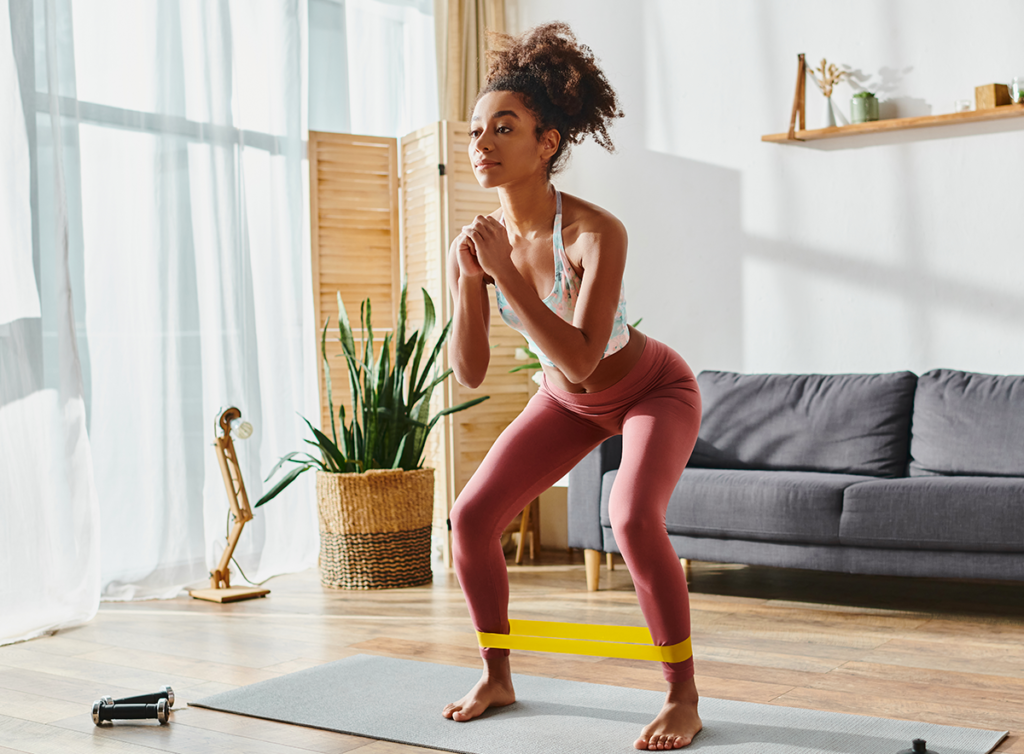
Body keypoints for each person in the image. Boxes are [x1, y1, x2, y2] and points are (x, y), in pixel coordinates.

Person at [441, 22, 703, 751]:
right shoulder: (481, 244)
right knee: (469, 519)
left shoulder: (595, 233)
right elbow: (468, 370)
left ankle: (682, 695)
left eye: (505, 127)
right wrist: (469, 281)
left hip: (651, 389)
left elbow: (587, 357)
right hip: (565, 400)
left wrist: (503, 277)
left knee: (631, 517)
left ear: (547, 142)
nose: (483, 144)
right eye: (475, 132)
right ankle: (497, 674)